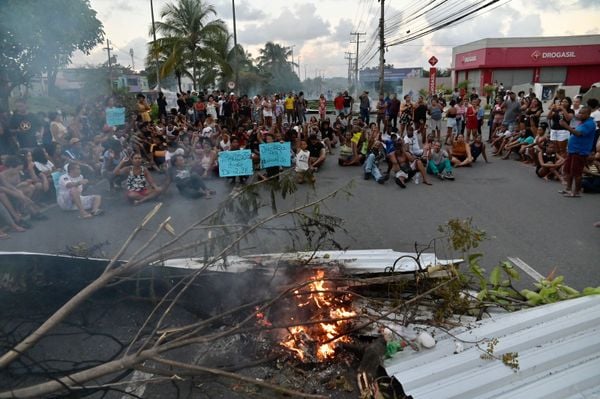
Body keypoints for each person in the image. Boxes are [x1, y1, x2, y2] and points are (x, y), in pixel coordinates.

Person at [558, 106, 596, 197]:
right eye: (580, 112)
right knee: (569, 171)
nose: (580, 114)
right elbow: (576, 131)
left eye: (582, 113)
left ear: (588, 114)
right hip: (573, 150)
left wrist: (566, 126)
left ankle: (576, 192)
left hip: (580, 151)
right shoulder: (582, 122)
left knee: (576, 173)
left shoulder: (590, 124)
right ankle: (568, 189)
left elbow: (579, 134)